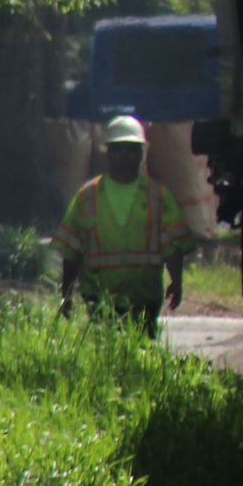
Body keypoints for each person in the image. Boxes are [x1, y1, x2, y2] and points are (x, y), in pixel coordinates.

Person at [56, 116, 205, 336]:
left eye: (131, 149)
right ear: (108, 152)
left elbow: (173, 246)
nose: (124, 155)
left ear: (141, 153)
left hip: (144, 298)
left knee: (141, 349)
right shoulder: (88, 196)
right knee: (105, 348)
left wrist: (177, 281)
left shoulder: (158, 196)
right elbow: (72, 249)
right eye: (118, 149)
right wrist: (66, 293)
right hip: (99, 298)